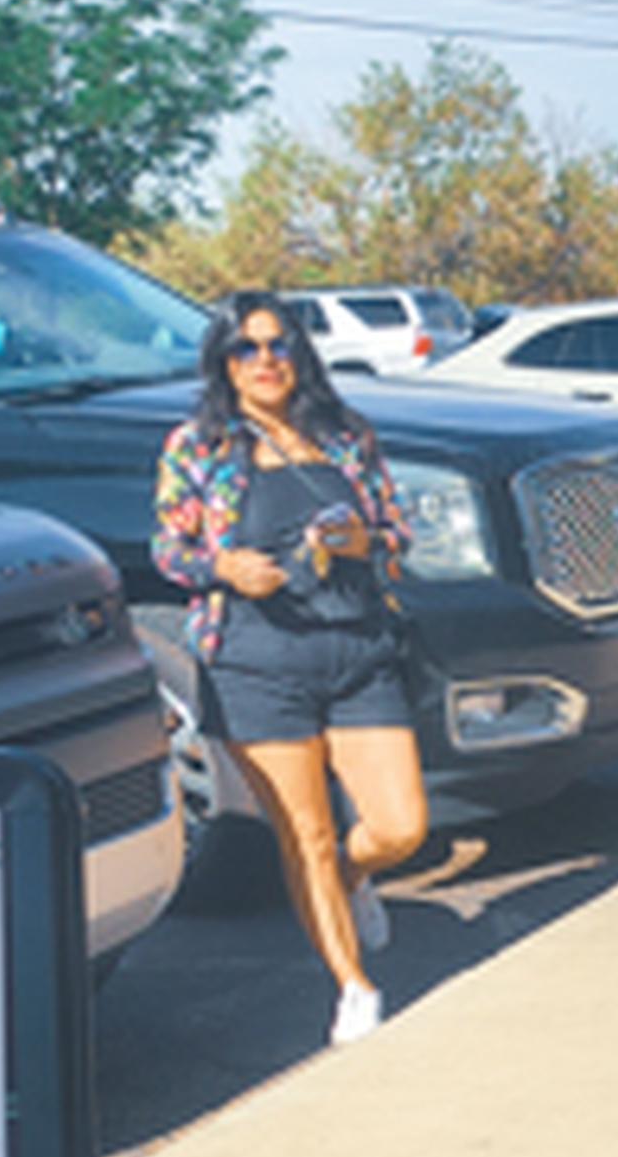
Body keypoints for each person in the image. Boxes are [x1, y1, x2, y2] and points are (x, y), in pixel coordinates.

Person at [153, 295, 429, 1047]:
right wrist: (223, 567)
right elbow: (168, 550)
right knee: (302, 834)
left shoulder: (344, 437)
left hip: (356, 652)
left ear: (300, 356)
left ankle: (350, 878)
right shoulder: (197, 447)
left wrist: (359, 540)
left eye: (279, 346)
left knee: (402, 826)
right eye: (246, 348)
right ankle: (353, 989)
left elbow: (398, 534)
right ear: (223, 363)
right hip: (255, 663)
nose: (266, 361)